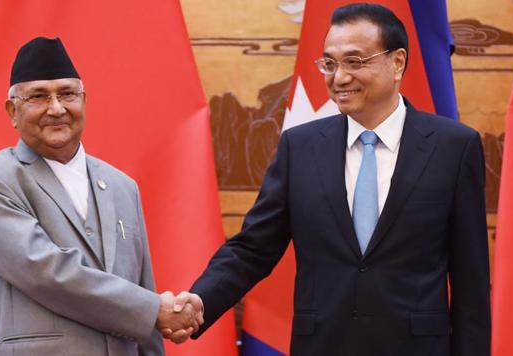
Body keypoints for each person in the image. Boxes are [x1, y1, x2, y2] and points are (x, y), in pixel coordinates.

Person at [177, 3, 491, 355]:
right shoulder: (301, 146)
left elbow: (471, 283)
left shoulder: (453, 147)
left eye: (355, 62)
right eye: (330, 63)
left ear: (398, 62)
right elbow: (254, 248)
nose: (339, 77)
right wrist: (200, 302)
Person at [0, 37, 201, 356]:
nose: (56, 108)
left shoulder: (122, 186)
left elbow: (142, 286)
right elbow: (45, 272)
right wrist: (154, 310)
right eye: (38, 97)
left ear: (84, 100)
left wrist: (156, 319)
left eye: (67, 94)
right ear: (12, 111)